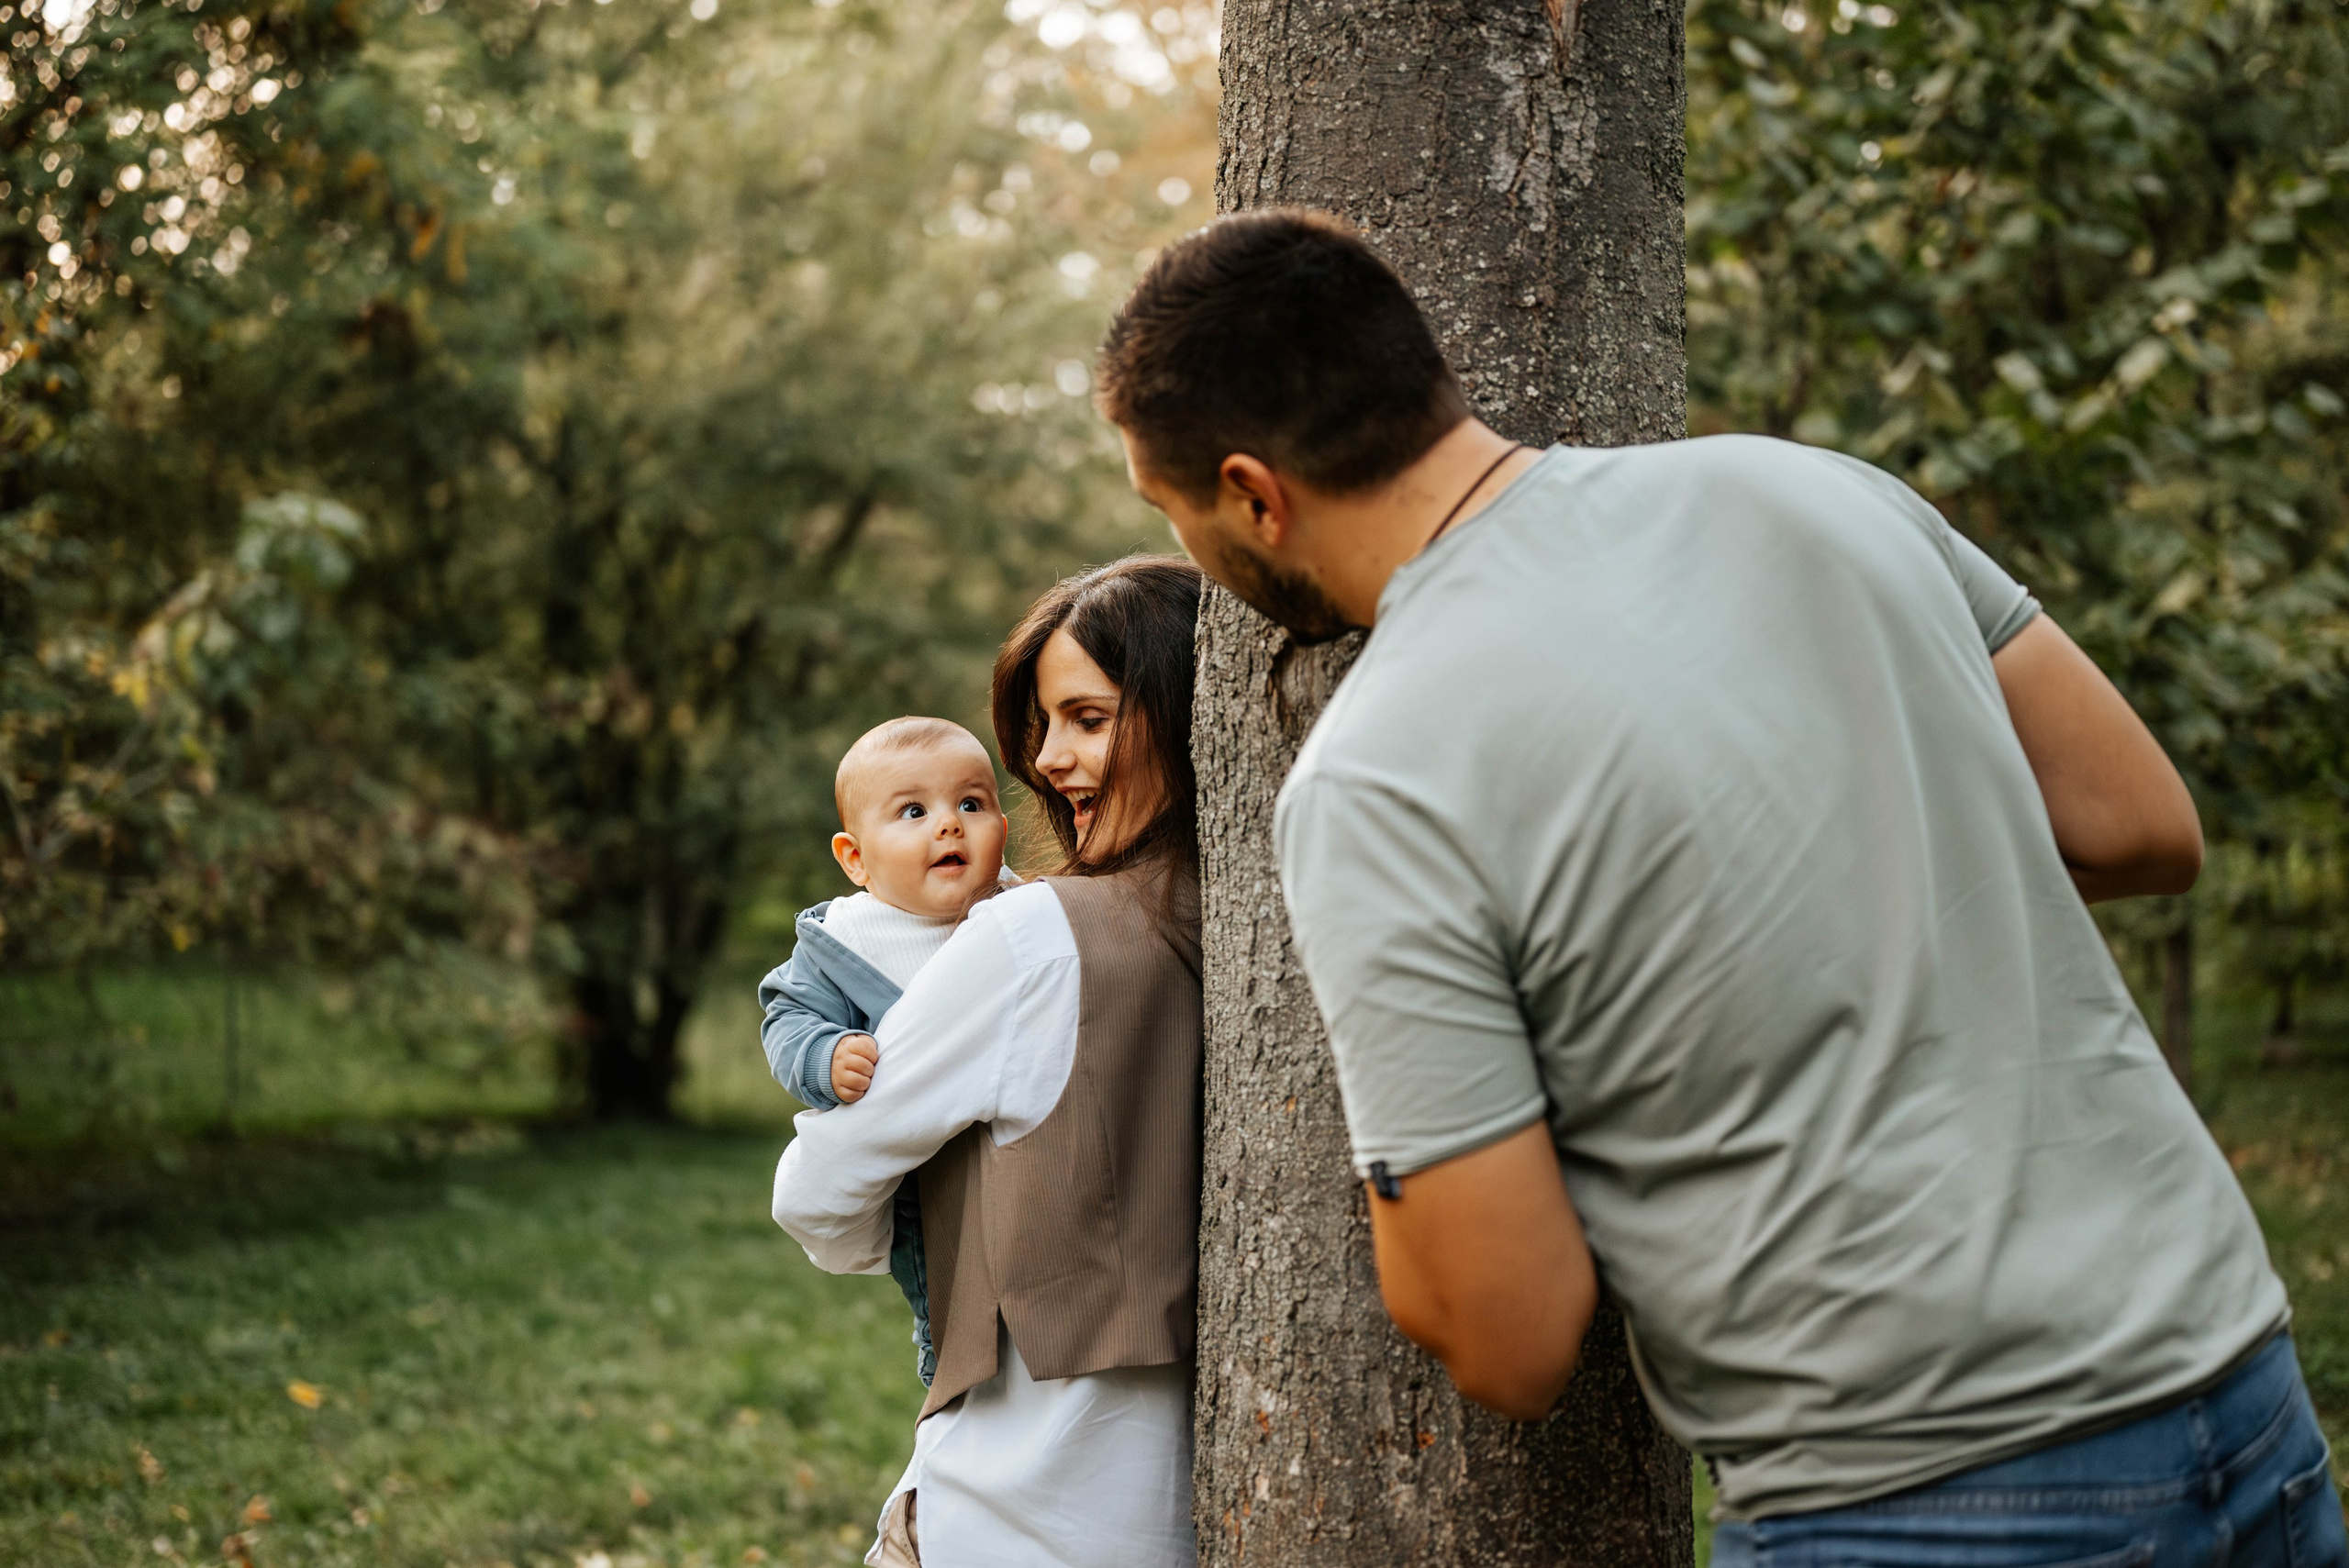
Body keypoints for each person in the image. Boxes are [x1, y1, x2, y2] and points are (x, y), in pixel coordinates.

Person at [1095, 208, 2348, 1568]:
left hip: (1911, 1487)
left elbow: (1511, 1334)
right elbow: (2139, 823)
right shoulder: (1818, 491)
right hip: (2235, 1386)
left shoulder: (1377, 772)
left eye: (1174, 515)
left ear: (1252, 493)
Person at [771, 556, 1206, 1568]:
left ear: (1188, 712)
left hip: (1010, 1501)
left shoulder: (1030, 937)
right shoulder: (1251, 919)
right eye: (1043, 725)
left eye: (1088, 718)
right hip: (1172, 1516)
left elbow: (816, 1195)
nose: (1047, 760)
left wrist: (942, 1225)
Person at [756, 716, 1016, 1386]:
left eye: (972, 803)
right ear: (856, 859)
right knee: (951, 1307)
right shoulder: (845, 943)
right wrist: (825, 1055)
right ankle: (944, 1368)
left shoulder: (1021, 910)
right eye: (913, 811)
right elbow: (787, 1016)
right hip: (924, 1188)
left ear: (1002, 823)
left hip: (1020, 1157)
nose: (949, 824)